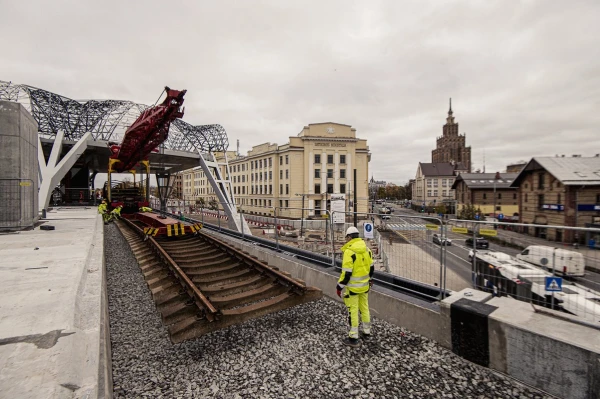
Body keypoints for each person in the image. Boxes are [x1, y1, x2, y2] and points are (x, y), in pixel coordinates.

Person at [336, 226, 375, 348]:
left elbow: (346, 273)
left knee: (353, 310)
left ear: (350, 237)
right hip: (365, 286)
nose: (346, 240)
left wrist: (339, 286)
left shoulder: (349, 252)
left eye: (346, 237)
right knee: (364, 308)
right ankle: (366, 333)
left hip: (353, 288)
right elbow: (371, 268)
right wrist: (369, 280)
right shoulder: (367, 249)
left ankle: (353, 337)